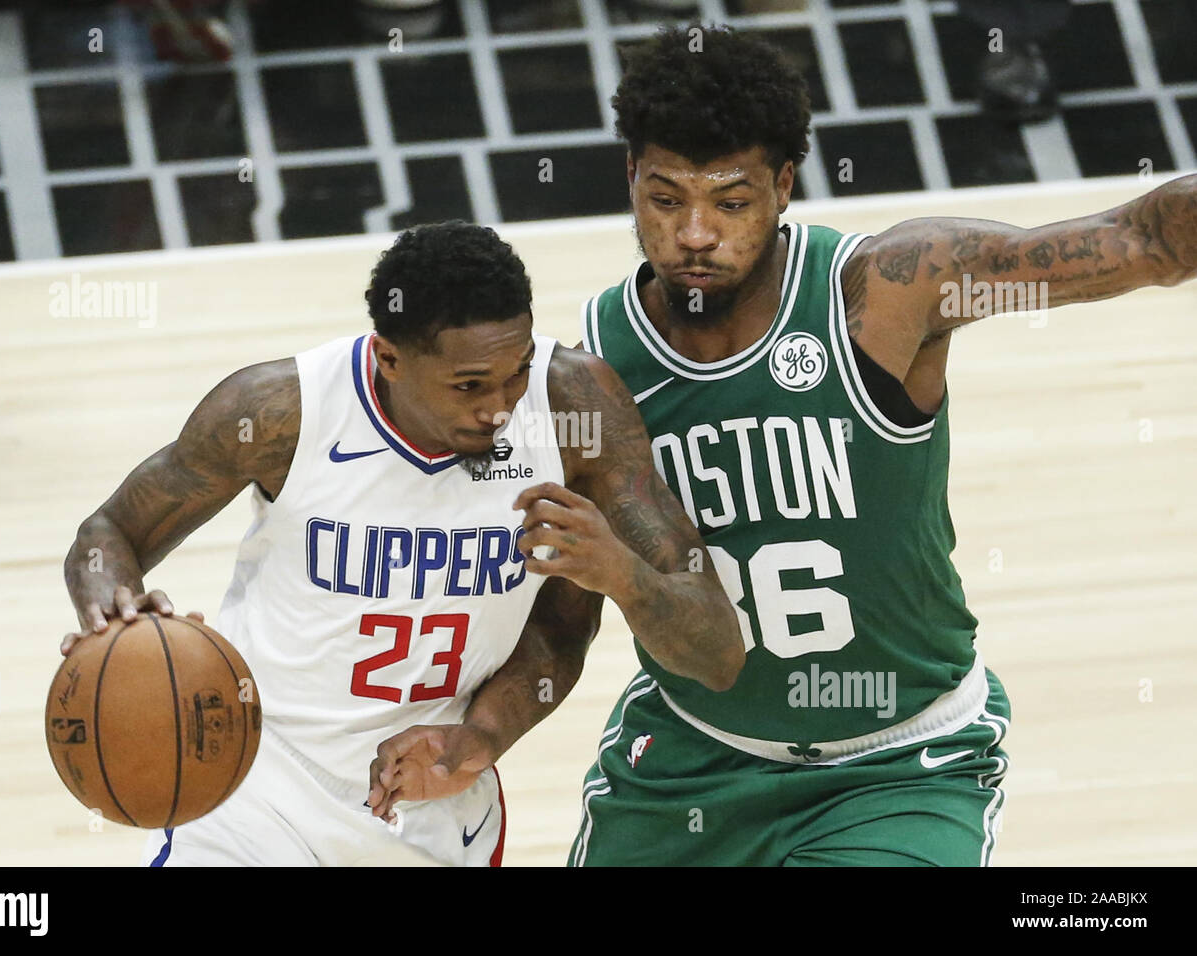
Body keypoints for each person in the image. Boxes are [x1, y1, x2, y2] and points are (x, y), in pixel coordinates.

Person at [372, 25, 1197, 866]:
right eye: (666, 200)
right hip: (691, 759)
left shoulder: (886, 294)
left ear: (783, 186)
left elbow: (1147, 240)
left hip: (897, 764)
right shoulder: (595, 372)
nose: (695, 234)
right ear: (630, 180)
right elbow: (562, 625)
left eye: (730, 203)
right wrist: (480, 735)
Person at [60, 220, 742, 866]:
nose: (501, 406)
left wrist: (481, 737)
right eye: (470, 386)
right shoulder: (280, 412)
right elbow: (107, 534)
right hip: (258, 780)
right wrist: (114, 613)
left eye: (516, 371)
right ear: (389, 357)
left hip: (432, 793)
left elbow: (686, 650)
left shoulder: (573, 409)